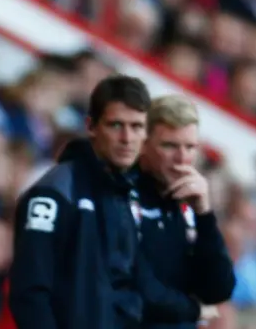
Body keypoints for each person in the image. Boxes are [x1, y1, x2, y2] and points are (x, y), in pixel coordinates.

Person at [9, 75, 151, 329]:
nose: (127, 138)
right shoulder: (55, 193)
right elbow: (30, 293)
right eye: (116, 125)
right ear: (91, 127)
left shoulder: (133, 198)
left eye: (137, 126)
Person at [136, 95, 235, 328]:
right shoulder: (121, 196)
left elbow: (219, 290)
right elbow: (133, 286)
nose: (182, 159)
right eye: (169, 145)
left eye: (190, 147)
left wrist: (204, 215)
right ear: (144, 144)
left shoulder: (189, 206)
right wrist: (195, 310)